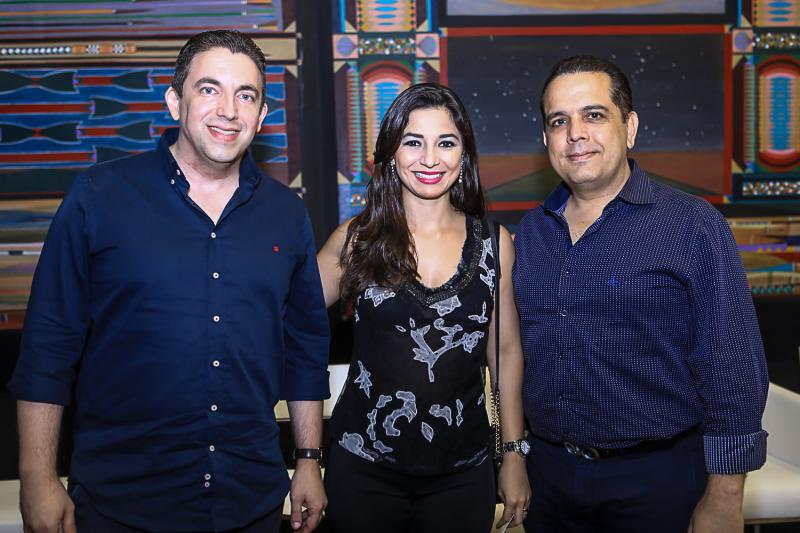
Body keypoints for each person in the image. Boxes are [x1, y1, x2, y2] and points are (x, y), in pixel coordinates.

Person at [8, 29, 330, 533]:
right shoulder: (99, 197)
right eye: (209, 89)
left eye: (246, 95)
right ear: (175, 101)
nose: (229, 110)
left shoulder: (286, 215)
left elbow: (305, 349)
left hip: (251, 502)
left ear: (262, 115)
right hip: (122, 505)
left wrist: (308, 459)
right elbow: (48, 347)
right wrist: (36, 477)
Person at [513, 55, 769, 533]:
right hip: (549, 479)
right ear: (546, 139)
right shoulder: (530, 234)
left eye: (594, 115)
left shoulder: (692, 225)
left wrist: (725, 496)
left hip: (657, 482)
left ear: (629, 127)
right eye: (558, 121)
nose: (575, 134)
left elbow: (733, 367)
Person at [316, 82, 530, 533]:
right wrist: (305, 456)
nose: (430, 159)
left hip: (463, 473)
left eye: (446, 143)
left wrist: (513, 453)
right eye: (413, 142)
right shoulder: (356, 241)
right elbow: (289, 320)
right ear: (391, 153)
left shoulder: (495, 245)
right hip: (362, 469)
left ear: (464, 154)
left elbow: (507, 353)